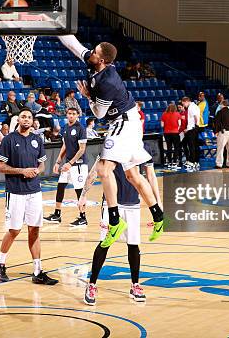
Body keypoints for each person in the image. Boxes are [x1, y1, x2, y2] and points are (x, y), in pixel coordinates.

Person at [57, 34, 164, 246]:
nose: (91, 53)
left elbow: (98, 114)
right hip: (129, 121)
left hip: (123, 122)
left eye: (95, 52)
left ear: (103, 60)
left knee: (104, 170)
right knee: (133, 175)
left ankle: (115, 222)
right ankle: (159, 217)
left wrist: (88, 96)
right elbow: (74, 44)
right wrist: (57, 27)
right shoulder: (97, 63)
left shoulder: (108, 83)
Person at [0, 107, 58, 285]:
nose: (26, 119)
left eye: (29, 117)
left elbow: (42, 166)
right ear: (18, 120)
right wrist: (22, 171)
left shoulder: (37, 140)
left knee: (34, 230)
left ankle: (38, 271)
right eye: (23, 117)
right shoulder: (9, 140)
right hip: (15, 192)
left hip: (35, 191)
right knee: (14, 230)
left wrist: (36, 171)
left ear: (32, 120)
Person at [83, 163, 146, 306]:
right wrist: (83, 195)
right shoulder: (111, 145)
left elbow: (147, 175)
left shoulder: (140, 148)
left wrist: (154, 202)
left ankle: (135, 285)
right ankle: (91, 284)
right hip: (112, 204)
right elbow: (94, 171)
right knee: (104, 243)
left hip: (133, 204)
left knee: (134, 245)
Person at [45, 107, 89, 226]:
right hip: (68, 164)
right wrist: (58, 161)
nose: (71, 116)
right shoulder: (65, 128)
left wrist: (70, 163)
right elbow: (64, 146)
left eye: (73, 114)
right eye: (69, 113)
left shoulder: (80, 128)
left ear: (77, 115)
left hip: (79, 164)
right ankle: (57, 214)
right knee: (60, 186)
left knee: (79, 190)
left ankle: (83, 217)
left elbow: (82, 150)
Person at [214, 100, 229, 169]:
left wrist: (215, 131)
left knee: (220, 148)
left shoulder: (220, 112)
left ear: (222, 105)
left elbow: (217, 123)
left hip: (223, 132)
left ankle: (219, 164)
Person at [182, 97, 200, 170]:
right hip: (194, 128)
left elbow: (195, 117)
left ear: (186, 101)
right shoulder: (195, 106)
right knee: (195, 145)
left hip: (192, 129)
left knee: (191, 146)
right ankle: (196, 161)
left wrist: (194, 126)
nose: (184, 106)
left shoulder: (191, 107)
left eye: (184, 104)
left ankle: (191, 162)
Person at [161, 103, 182, 169]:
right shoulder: (177, 114)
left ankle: (169, 162)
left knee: (169, 148)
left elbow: (162, 125)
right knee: (176, 148)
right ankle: (175, 162)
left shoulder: (164, 114)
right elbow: (179, 124)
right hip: (175, 133)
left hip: (167, 133)